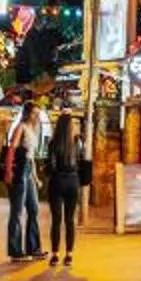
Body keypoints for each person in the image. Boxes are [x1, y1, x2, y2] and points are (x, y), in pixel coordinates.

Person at [41, 109, 86, 269]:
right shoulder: (77, 142)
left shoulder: (53, 143)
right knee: (70, 220)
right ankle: (69, 255)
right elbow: (82, 162)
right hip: (73, 181)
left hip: (57, 181)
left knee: (56, 220)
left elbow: (50, 166)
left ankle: (54, 254)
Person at [2, 98, 42, 262]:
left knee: (33, 208)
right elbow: (12, 149)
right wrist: (9, 171)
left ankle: (33, 247)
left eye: (38, 114)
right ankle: (15, 250)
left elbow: (31, 157)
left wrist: (35, 177)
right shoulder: (21, 127)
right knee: (17, 211)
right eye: (35, 113)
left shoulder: (33, 130)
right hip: (19, 171)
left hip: (28, 169)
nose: (37, 116)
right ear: (28, 114)